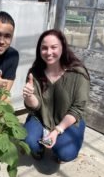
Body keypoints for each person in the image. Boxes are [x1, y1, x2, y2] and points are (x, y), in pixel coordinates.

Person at [22, 29, 90, 163]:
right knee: (29, 142)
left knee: (66, 152)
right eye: (44, 48)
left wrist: (57, 130)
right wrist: (29, 96)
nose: (49, 52)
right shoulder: (35, 72)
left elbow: (77, 108)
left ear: (63, 47)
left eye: (54, 47)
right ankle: (39, 149)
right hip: (41, 116)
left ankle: (62, 147)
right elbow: (36, 106)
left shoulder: (78, 74)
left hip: (68, 120)